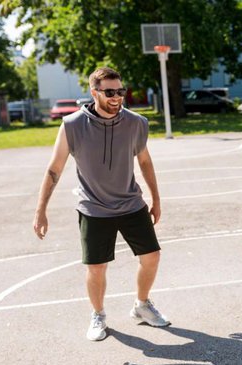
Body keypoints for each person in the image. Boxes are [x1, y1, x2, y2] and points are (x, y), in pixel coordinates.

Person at [33, 67, 170, 341]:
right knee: (96, 267)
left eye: (120, 91)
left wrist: (155, 199)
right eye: (110, 92)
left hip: (131, 204)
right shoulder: (72, 125)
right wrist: (41, 210)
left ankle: (142, 305)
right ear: (94, 92)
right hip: (93, 208)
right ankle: (98, 315)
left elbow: (144, 161)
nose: (117, 97)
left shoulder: (136, 123)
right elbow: (54, 169)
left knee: (152, 257)